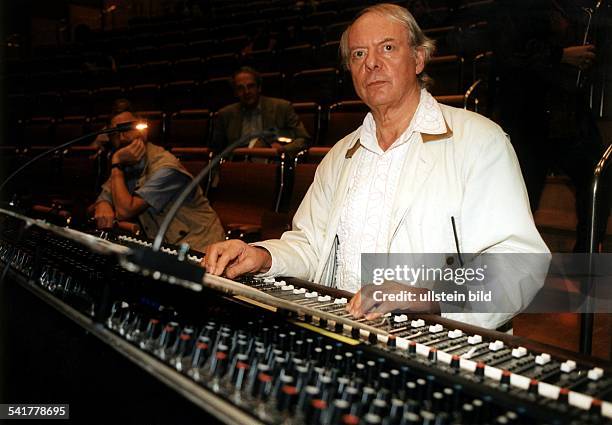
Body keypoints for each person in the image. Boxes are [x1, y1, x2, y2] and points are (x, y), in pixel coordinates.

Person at [202, 4, 550, 330]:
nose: (371, 63)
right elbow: (310, 246)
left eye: (387, 48)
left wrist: (430, 299)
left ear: (418, 58)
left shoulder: (478, 140)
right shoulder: (340, 156)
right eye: (358, 54)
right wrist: (262, 256)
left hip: (438, 340)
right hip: (343, 331)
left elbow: (520, 261)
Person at [491, 0, 610, 252]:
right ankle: (510, 265)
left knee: (597, 178)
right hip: (528, 115)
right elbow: (507, 52)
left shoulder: (568, 6)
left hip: (566, 110)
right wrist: (562, 55)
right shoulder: (518, 10)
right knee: (523, 194)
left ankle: (586, 257)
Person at [93, 110, 225, 252]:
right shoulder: (126, 163)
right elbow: (106, 194)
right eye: (116, 133)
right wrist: (103, 203)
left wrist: (116, 162)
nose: (122, 137)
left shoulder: (166, 166)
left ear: (142, 131)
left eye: (127, 129)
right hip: (168, 247)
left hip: (201, 245)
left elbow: (125, 211)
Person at [210, 67, 311, 156]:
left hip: (271, 165)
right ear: (235, 93)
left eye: (250, 86)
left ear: (259, 87)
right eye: (240, 88)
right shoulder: (225, 114)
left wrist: (281, 150)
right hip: (236, 167)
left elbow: (304, 139)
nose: (246, 92)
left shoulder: (282, 107)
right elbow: (216, 151)